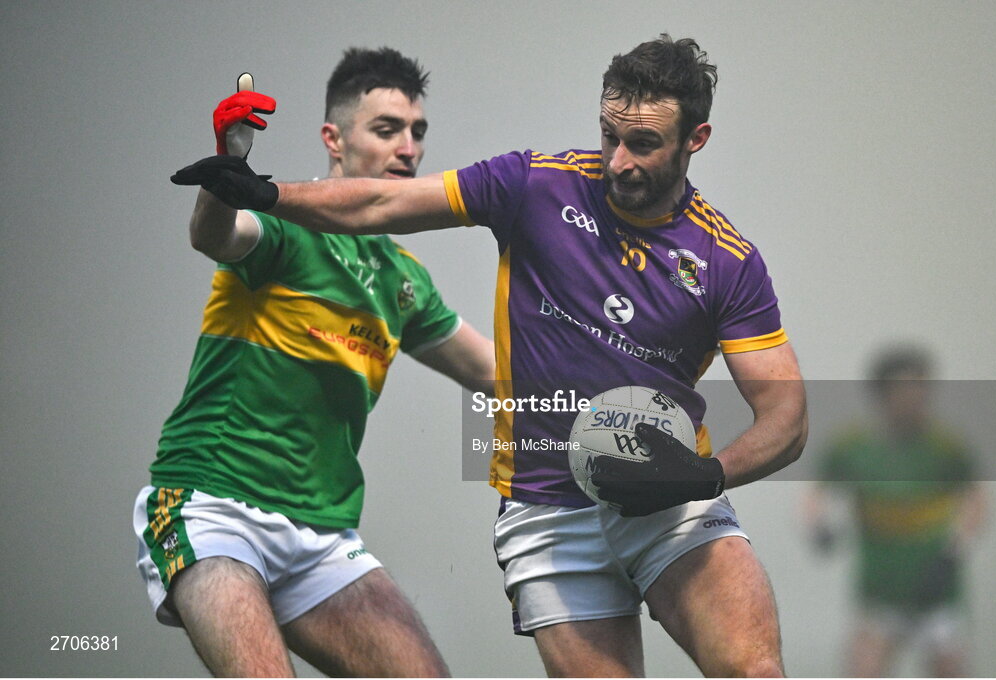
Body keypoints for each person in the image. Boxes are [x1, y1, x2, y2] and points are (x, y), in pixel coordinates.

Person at [172, 35, 808, 677]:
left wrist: (703, 476)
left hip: (670, 505)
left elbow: (788, 416)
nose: (618, 160)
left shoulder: (728, 260)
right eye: (608, 135)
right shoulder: (534, 183)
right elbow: (382, 203)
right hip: (547, 514)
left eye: (642, 144)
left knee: (755, 672)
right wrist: (263, 194)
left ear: (694, 139)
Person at [135, 47, 494, 677]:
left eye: (417, 132)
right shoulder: (285, 231)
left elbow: (496, 373)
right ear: (333, 138)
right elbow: (217, 235)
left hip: (322, 536)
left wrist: (636, 383)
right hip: (214, 506)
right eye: (386, 130)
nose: (408, 148)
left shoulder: (404, 280)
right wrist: (224, 178)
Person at [805, 345, 985, 677]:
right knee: (864, 667)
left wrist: (956, 550)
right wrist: (818, 526)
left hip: (937, 592)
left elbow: (975, 498)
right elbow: (818, 491)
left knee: (949, 668)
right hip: (880, 589)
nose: (915, 396)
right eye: (904, 387)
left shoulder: (946, 446)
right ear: (881, 392)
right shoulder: (853, 445)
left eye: (921, 386)